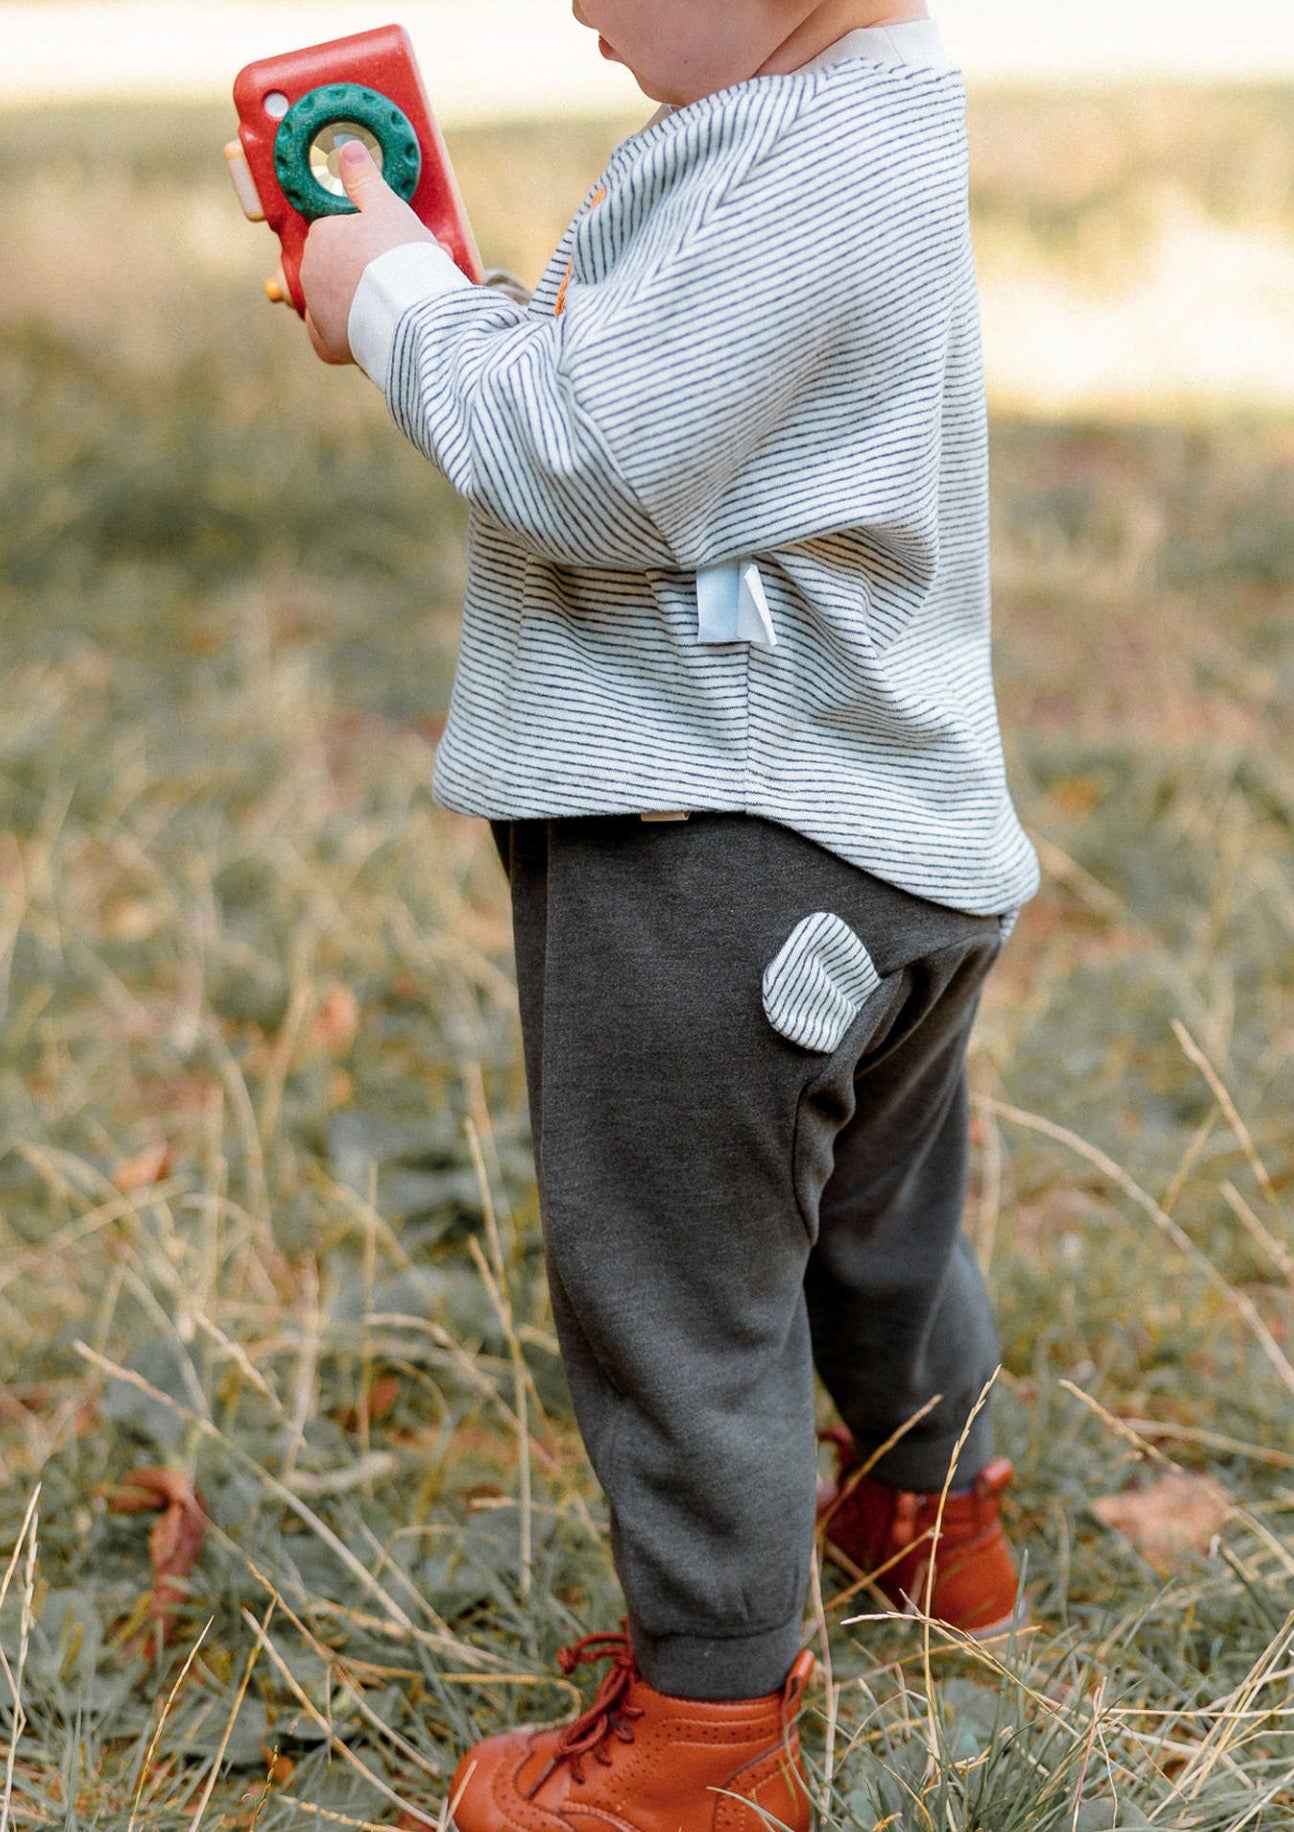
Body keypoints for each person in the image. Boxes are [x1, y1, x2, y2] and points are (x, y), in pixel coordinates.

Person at [299, 0, 1040, 1825]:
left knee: (678, 1292)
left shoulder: (803, 158)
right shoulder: (865, 118)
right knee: (871, 1222)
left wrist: (397, 299)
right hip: (884, 843)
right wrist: (463, 303)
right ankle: (935, 1520)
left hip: (721, 854)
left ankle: (709, 1735)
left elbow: (589, 461)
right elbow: (646, 399)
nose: (573, 2)